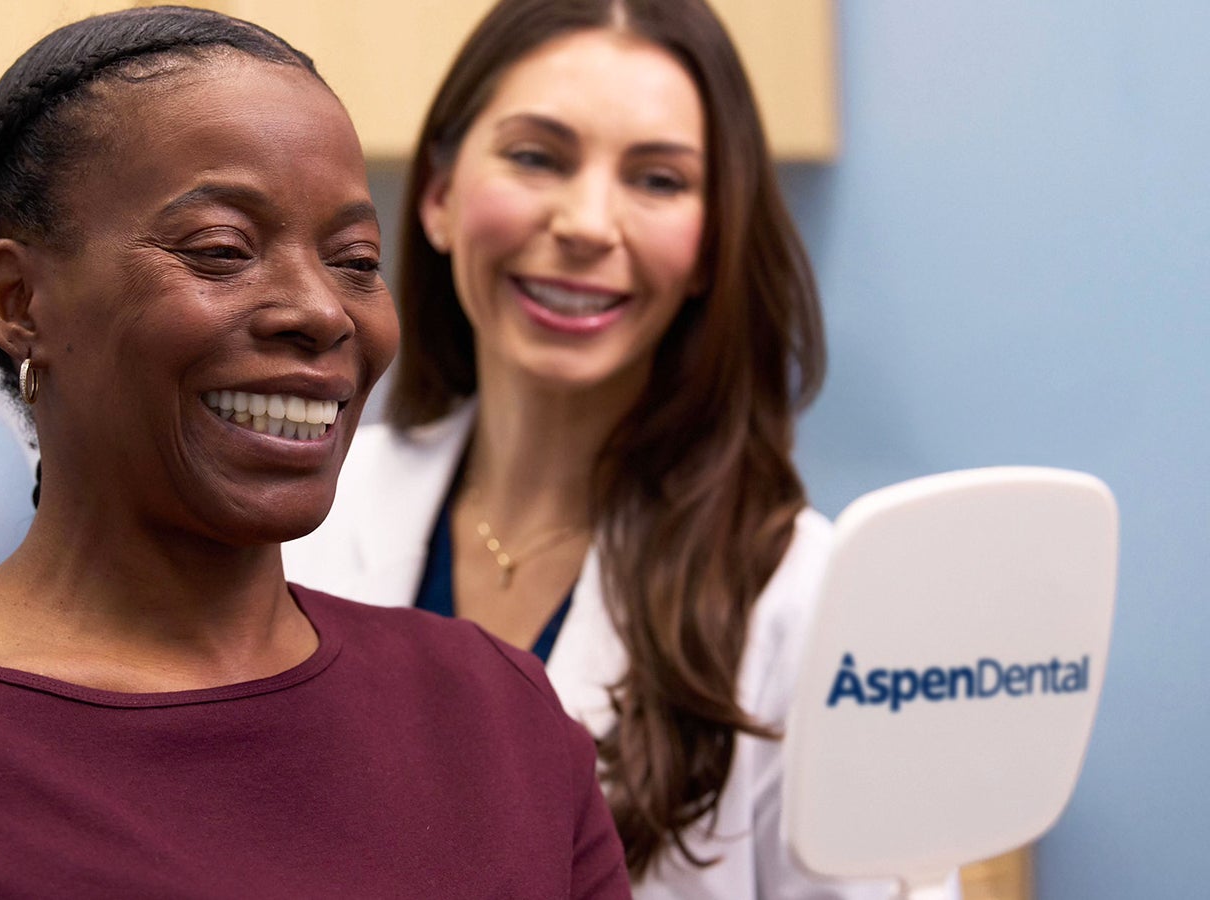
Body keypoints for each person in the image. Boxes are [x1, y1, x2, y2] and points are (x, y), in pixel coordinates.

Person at [0, 8, 630, 898]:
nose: (322, 311)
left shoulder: (496, 713)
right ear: (19, 301)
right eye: (222, 250)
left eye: (356, 260)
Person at [284, 0, 926, 896]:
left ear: (711, 243)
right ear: (438, 195)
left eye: (658, 180)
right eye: (538, 156)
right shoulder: (298, 515)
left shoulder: (806, 600)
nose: (588, 223)